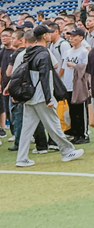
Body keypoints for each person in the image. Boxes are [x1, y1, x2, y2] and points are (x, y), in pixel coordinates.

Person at [14, 25, 84, 167]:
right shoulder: (44, 53)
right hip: (41, 97)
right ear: (45, 36)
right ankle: (67, 151)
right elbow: (46, 77)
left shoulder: (28, 52)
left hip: (29, 96)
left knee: (27, 129)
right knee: (53, 125)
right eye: (48, 33)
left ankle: (21, 158)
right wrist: (48, 98)